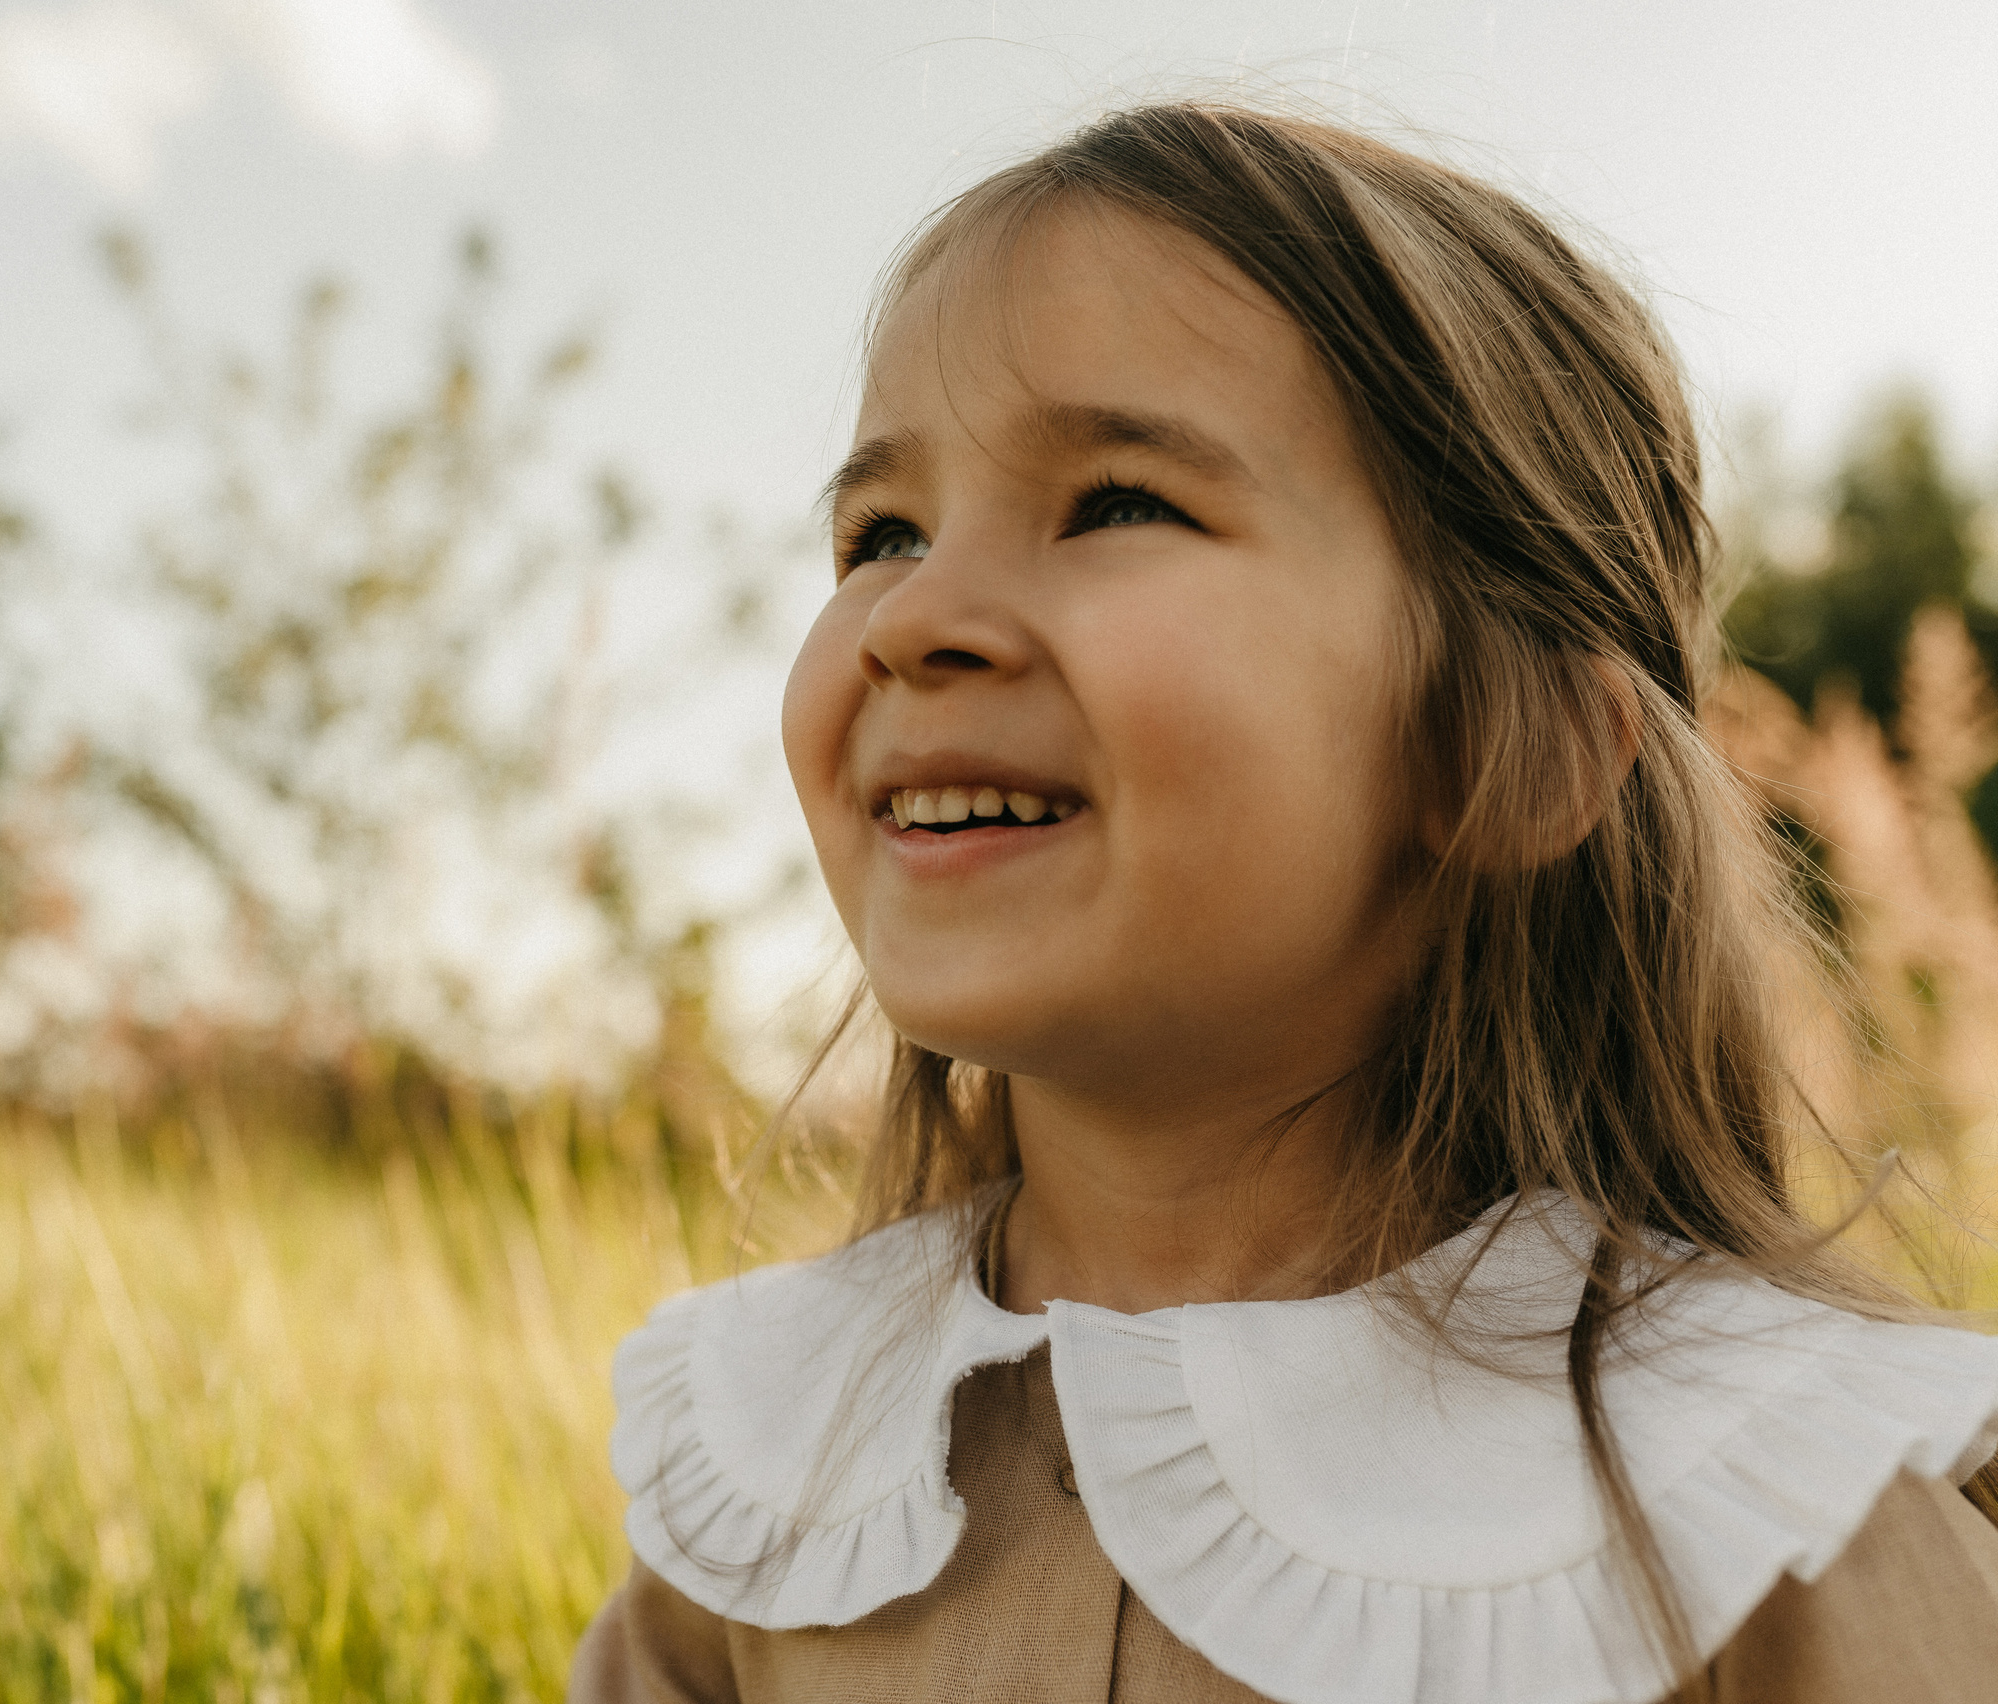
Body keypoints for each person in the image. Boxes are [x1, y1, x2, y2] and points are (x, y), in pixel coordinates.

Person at [568, 103, 1998, 1704]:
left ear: (1511, 748)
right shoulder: (780, 1463)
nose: (914, 617)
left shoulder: (1767, 1505)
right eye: (879, 534)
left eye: (1119, 502)